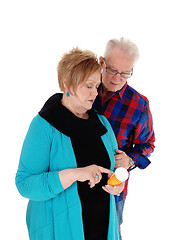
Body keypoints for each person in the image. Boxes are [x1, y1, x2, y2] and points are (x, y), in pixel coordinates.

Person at [15, 47, 124, 240]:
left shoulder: (103, 124)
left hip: (103, 229)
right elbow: (25, 184)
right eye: (88, 86)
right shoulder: (44, 125)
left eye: (97, 86)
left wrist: (116, 184)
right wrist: (76, 174)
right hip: (58, 231)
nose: (96, 93)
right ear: (67, 84)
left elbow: (110, 171)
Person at [93, 37, 155, 240]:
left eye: (125, 73)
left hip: (113, 190)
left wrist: (129, 160)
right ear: (101, 62)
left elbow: (147, 145)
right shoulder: (84, 89)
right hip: (77, 180)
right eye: (111, 69)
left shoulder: (139, 105)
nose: (117, 78)